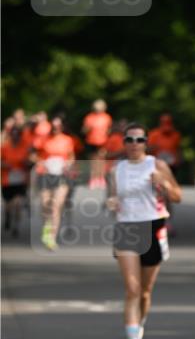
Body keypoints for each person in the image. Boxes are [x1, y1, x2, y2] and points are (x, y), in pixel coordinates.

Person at [106, 123, 181, 339]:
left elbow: (177, 196)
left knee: (145, 292)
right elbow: (110, 197)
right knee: (132, 289)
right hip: (126, 228)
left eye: (139, 140)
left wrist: (164, 184)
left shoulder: (157, 165)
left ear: (146, 142)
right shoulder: (116, 169)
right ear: (124, 143)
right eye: (129, 140)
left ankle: (139, 328)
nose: (134, 144)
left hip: (153, 226)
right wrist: (111, 202)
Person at [36, 116, 75, 250]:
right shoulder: (43, 140)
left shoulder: (67, 140)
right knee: (45, 205)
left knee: (56, 206)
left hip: (61, 175)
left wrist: (68, 165)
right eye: (53, 126)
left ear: (62, 127)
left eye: (58, 127)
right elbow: (34, 155)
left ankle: (51, 237)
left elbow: (71, 156)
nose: (55, 129)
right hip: (45, 174)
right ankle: (47, 227)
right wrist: (41, 162)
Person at [1, 119, 31, 236]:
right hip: (7, 179)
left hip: (20, 179)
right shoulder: (4, 147)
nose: (15, 138)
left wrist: (26, 162)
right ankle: (7, 216)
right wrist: (4, 164)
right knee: (8, 204)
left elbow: (31, 161)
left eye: (17, 135)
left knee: (18, 203)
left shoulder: (25, 148)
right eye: (13, 135)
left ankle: (16, 226)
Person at [82, 99, 112, 189]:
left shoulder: (107, 117)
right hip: (91, 141)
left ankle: (101, 179)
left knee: (101, 160)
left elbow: (109, 130)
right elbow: (84, 130)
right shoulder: (89, 117)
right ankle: (93, 179)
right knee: (93, 161)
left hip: (103, 141)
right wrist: (88, 129)